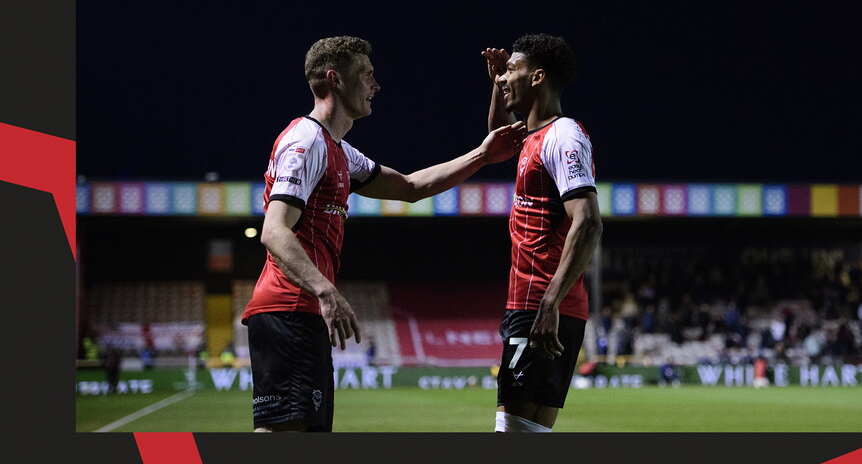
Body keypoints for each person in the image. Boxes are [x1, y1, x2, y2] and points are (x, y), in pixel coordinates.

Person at [241, 36, 526, 433]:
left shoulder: (339, 150)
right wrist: (326, 291)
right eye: (366, 75)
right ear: (335, 79)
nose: (376, 85)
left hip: (301, 312)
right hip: (289, 309)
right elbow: (274, 230)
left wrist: (482, 155)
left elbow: (410, 187)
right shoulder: (305, 142)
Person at [481, 33, 603, 433]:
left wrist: (550, 301)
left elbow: (588, 222)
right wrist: (497, 86)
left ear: (537, 77)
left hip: (542, 303)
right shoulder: (533, 136)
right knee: (527, 435)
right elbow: (497, 139)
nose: (504, 77)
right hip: (534, 303)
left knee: (513, 434)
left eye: (512, 70)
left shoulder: (563, 136)